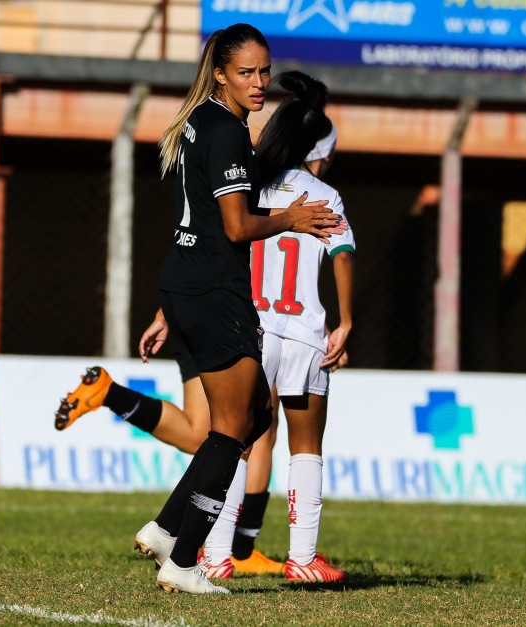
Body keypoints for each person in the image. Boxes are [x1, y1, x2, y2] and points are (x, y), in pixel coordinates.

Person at [129, 23, 345, 594]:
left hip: (183, 285)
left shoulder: (196, 122)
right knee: (237, 426)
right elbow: (234, 226)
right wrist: (290, 220)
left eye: (264, 71)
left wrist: (167, 309)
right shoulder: (225, 131)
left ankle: (165, 528)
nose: (259, 82)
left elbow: (194, 221)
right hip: (214, 290)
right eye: (246, 72)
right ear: (221, 73)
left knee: (239, 421)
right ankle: (183, 560)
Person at [54, 310, 286, 576]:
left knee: (202, 433)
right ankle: (239, 550)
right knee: (254, 425)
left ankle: (110, 393)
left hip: (191, 311)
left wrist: (164, 313)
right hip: (240, 318)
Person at [250, 70, 355, 582]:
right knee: (306, 446)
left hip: (251, 328)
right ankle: (302, 557)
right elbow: (342, 254)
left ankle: (217, 553)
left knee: (239, 439)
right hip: (303, 330)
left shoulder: (248, 189)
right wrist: (347, 320)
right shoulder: (323, 195)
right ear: (315, 143)